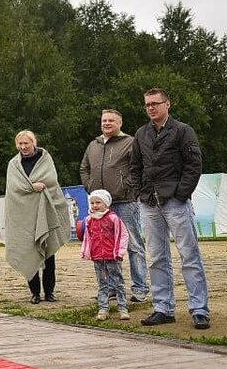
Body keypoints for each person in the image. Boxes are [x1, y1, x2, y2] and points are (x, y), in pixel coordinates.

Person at [129, 88, 211, 330]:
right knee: (156, 257)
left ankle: (199, 309)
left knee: (189, 256)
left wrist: (180, 193)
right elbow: (134, 166)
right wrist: (140, 193)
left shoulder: (183, 131)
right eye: (147, 104)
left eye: (155, 103)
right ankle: (163, 307)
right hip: (149, 203)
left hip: (175, 201)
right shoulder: (141, 133)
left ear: (168, 104)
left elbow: (194, 165)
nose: (151, 108)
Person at [79, 108, 149, 304]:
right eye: (104, 120)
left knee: (133, 245)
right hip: (101, 207)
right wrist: (90, 187)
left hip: (124, 201)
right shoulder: (93, 144)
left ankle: (140, 288)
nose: (107, 123)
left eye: (111, 120)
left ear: (120, 123)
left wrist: (128, 186)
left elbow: (139, 168)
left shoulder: (130, 142)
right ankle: (110, 289)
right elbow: (84, 168)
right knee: (103, 248)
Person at [3, 130, 68, 304]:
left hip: (45, 213)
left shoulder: (45, 159)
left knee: (48, 253)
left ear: (34, 143)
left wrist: (39, 185)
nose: (23, 147)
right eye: (20, 144)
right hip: (24, 217)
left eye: (26, 143)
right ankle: (35, 293)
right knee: (28, 252)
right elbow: (14, 188)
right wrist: (32, 187)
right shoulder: (13, 165)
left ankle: (49, 292)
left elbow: (51, 179)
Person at [80, 190, 130, 322]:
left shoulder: (113, 218)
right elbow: (87, 238)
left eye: (98, 202)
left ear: (106, 203)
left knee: (118, 282)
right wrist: (86, 252)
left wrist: (119, 252)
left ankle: (123, 308)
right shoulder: (89, 220)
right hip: (97, 257)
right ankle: (103, 308)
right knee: (102, 284)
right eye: (92, 203)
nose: (95, 205)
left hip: (112, 257)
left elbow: (122, 235)